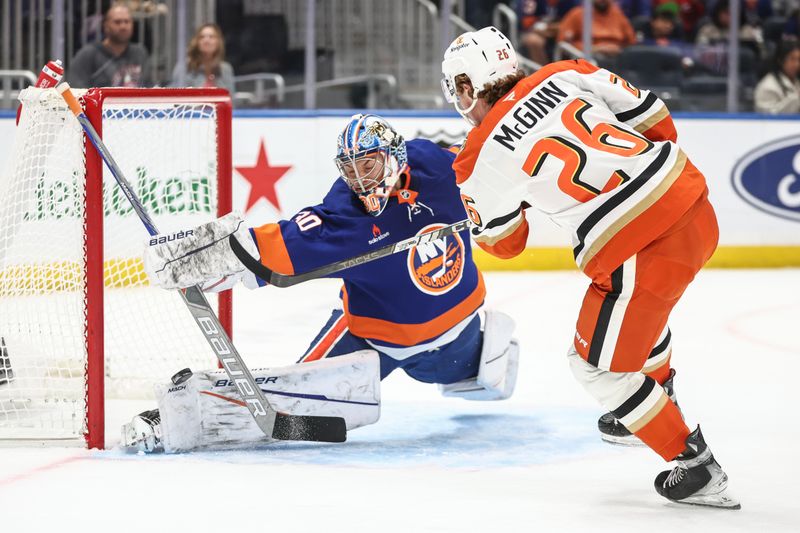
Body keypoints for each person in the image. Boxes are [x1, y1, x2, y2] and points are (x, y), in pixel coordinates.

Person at [440, 26, 739, 509]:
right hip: (694, 204)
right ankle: (648, 404)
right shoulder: (565, 71)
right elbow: (659, 121)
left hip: (642, 248)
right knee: (639, 317)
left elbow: (506, 243)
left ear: (467, 86)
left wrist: (515, 201)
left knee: (596, 368)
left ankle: (695, 465)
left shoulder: (476, 158)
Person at [121, 114, 519, 453]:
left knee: (486, 381)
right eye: (350, 170)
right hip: (368, 345)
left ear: (395, 158)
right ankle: (175, 421)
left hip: (459, 343)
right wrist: (201, 256)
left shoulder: (443, 169)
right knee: (288, 406)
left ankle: (488, 355)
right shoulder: (343, 218)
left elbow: (497, 164)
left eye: (369, 166)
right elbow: (269, 248)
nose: (360, 182)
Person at [66, 2, 151, 88]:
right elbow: (76, 89)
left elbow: (149, 86)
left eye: (127, 21)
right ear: (106, 26)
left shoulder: (139, 52)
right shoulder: (88, 54)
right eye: (117, 22)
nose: (123, 26)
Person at [557, 0, 636, 60]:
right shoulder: (577, 13)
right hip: (586, 57)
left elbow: (631, 41)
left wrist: (619, 49)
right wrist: (592, 49)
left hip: (616, 58)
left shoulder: (618, 14)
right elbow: (564, 42)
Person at [170, 23, 236, 95]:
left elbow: (230, 100)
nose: (206, 40)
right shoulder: (184, 67)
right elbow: (176, 99)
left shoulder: (225, 69)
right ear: (197, 42)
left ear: (218, 42)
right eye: (202, 37)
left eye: (211, 37)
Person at [754, 41, 800, 113]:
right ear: (780, 60)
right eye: (792, 59)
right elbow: (770, 117)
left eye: (799, 59)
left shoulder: (797, 82)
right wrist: (797, 98)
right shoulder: (768, 86)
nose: (797, 64)